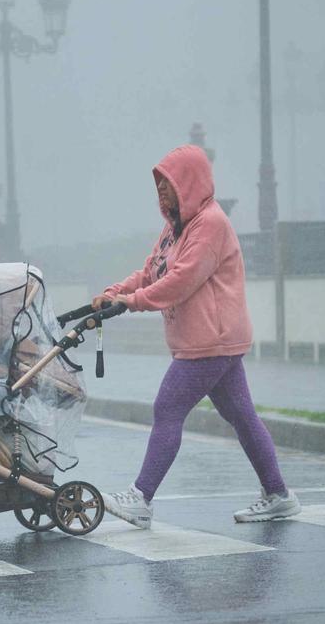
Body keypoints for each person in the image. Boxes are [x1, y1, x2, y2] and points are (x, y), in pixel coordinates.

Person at [94, 144, 300, 528]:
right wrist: (114, 292)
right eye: (157, 185)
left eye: (167, 184)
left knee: (167, 408)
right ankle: (279, 494)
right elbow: (151, 271)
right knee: (240, 413)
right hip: (208, 339)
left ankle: (141, 497)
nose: (160, 191)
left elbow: (181, 281)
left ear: (188, 183)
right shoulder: (177, 228)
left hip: (211, 340)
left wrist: (132, 302)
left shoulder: (211, 225)